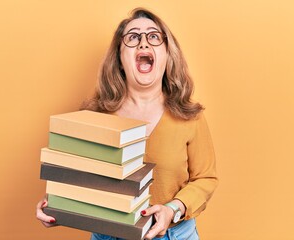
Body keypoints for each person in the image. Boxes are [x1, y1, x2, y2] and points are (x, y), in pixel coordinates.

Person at [36, 7, 218, 240]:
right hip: (108, 234)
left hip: (175, 235)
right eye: (133, 37)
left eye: (153, 36)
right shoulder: (95, 116)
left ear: (167, 53)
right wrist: (55, 204)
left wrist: (172, 209)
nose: (143, 43)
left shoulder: (190, 116)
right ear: (120, 58)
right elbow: (79, 177)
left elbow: (206, 178)